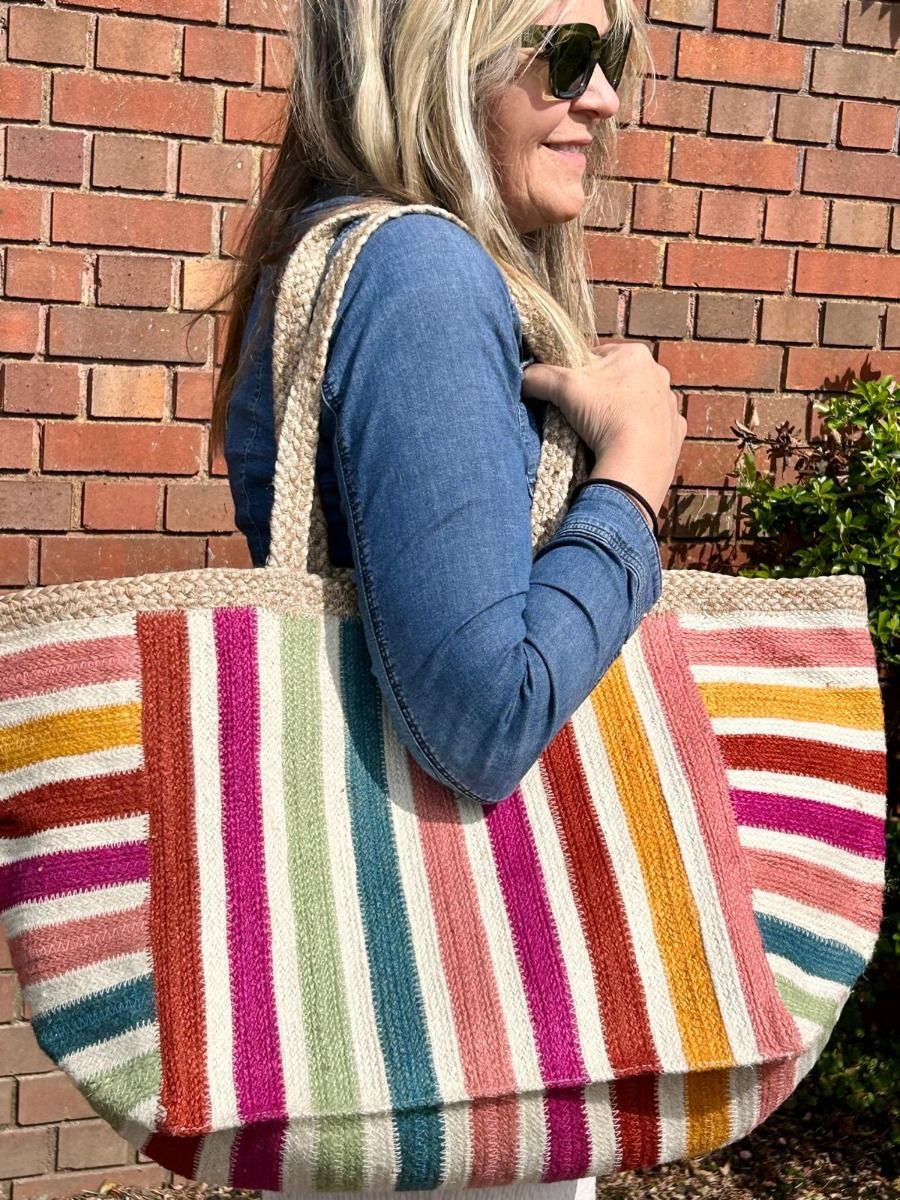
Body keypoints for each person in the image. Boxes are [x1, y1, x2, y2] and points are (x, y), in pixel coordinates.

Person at [208, 0, 685, 1193]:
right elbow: (482, 716)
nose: (605, 99)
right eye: (569, 55)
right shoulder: (420, 272)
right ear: (435, 52)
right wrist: (632, 474)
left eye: (615, 59)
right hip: (453, 1056)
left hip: (392, 1031)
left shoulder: (340, 255)